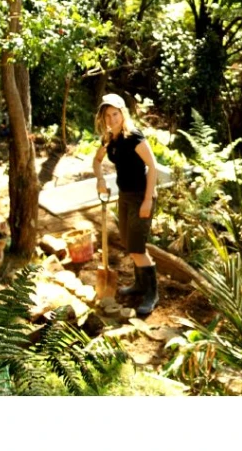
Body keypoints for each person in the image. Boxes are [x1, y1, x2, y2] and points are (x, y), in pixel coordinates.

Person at [93, 93, 159, 316]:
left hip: (142, 196)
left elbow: (153, 167)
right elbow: (96, 160)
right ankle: (140, 285)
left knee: (138, 249)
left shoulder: (134, 137)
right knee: (129, 243)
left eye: (115, 114)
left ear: (123, 113)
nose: (111, 119)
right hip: (125, 196)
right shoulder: (109, 139)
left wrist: (148, 200)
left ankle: (152, 293)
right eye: (107, 116)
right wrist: (100, 179)